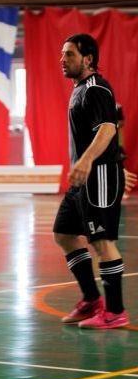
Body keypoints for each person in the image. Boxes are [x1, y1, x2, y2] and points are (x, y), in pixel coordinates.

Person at [53, 33, 129, 329]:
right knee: (64, 234)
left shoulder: (96, 88)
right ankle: (91, 300)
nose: (62, 59)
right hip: (82, 179)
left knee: (101, 241)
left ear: (88, 59)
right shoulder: (80, 89)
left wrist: (86, 161)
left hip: (99, 175)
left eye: (69, 54)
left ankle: (115, 312)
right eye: (62, 54)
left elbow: (108, 129)